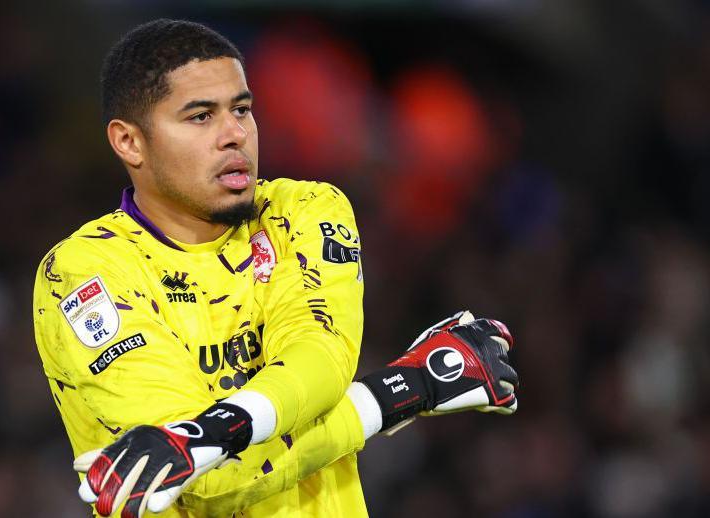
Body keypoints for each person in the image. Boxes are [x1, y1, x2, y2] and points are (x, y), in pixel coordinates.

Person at [32, 19, 519, 518]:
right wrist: (406, 389)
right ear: (129, 142)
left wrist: (211, 434)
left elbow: (320, 359)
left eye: (242, 109)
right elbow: (210, 483)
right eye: (200, 117)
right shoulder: (84, 273)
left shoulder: (305, 210)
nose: (234, 134)